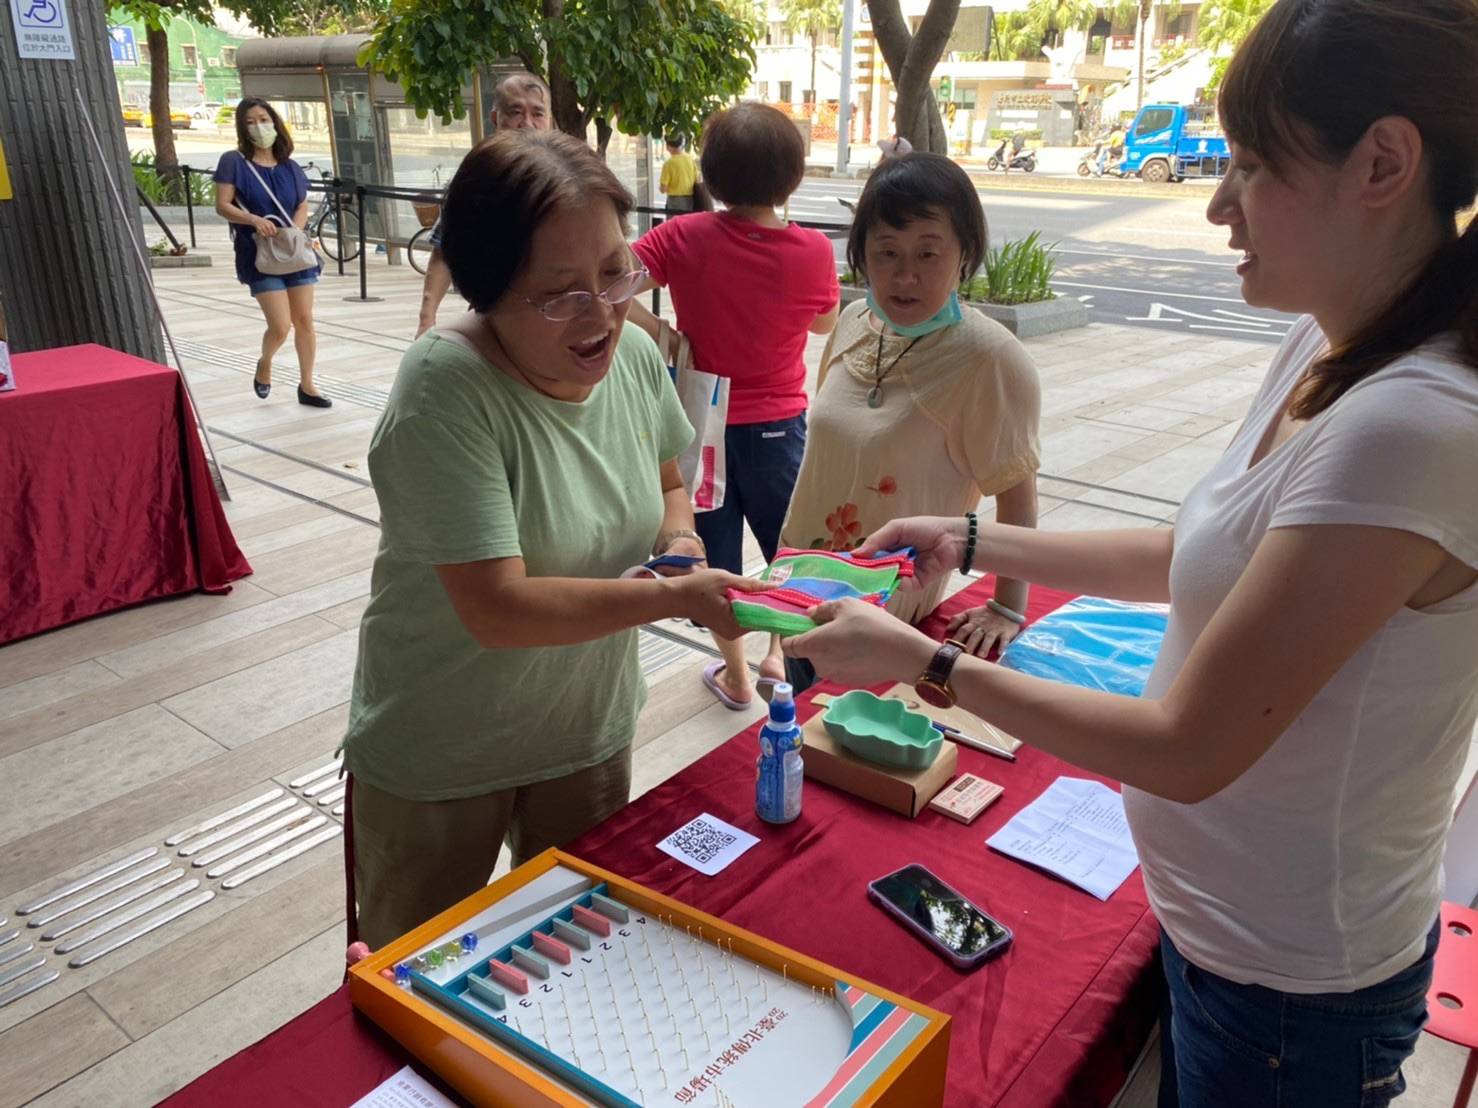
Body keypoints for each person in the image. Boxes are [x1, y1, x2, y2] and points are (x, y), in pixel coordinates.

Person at [784, 1, 1478, 1104]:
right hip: (1224, 941)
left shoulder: (1413, 424)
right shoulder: (1326, 343)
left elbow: (1184, 746)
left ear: (1381, 164)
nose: (1214, 203)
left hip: (1293, 987)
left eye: (1248, 167)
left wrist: (926, 665)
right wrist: (967, 535)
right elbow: (1199, 549)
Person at [343, 131, 759, 948]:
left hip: (582, 729)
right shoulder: (445, 389)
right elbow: (496, 608)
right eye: (559, 292)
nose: (602, 311)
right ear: (488, 293)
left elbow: (670, 482)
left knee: (570, 956)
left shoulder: (635, 355)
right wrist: (675, 597)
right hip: (445, 750)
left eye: (615, 272)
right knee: (419, 976)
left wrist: (680, 540)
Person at [766, 152, 1040, 692]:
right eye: (886, 252)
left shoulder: (991, 359)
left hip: (887, 618)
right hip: (800, 588)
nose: (905, 274)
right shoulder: (851, 323)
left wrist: (1007, 608)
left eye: (928, 253)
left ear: (965, 255)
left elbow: (1016, 496)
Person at [626, 102, 840, 710]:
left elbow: (612, 282)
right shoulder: (812, 251)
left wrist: (663, 335)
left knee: (717, 562)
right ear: (791, 177)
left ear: (711, 176)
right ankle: (784, 657)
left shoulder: (681, 236)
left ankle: (739, 677)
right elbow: (825, 321)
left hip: (702, 427)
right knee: (792, 554)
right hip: (778, 428)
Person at [415, 72, 552, 338]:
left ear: (549, 120)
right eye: (515, 112)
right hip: (493, 324)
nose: (527, 123)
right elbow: (445, 249)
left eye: (537, 113)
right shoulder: (478, 178)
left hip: (554, 322)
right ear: (495, 118)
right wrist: (427, 317)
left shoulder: (567, 177)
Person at [213, 98, 330, 407]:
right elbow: (222, 204)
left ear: (275, 122)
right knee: (280, 325)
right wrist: (252, 220)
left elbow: (302, 203)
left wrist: (295, 228)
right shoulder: (233, 161)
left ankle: (307, 384)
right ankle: (265, 364)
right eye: (250, 122)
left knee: (304, 319)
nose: (258, 126)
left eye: (263, 119)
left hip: (293, 250)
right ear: (242, 128)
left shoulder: (290, 166)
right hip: (258, 251)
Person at [659, 133, 698, 215]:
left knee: (674, 226)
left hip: (674, 200)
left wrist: (662, 188)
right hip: (689, 199)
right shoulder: (690, 159)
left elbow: (663, 189)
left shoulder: (668, 164)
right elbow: (697, 179)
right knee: (686, 224)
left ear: (668, 146)